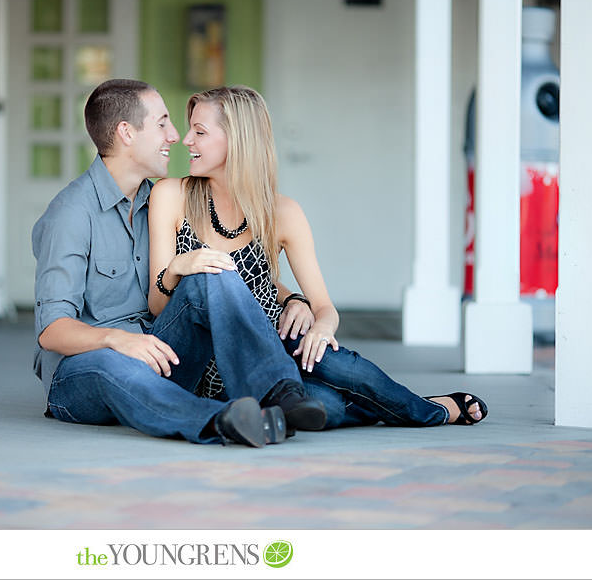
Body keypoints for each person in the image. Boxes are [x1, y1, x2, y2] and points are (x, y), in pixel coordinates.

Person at [148, 85, 488, 429]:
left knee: (327, 399)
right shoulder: (171, 196)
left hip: (268, 359)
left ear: (238, 139)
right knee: (319, 390)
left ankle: (391, 406)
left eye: (200, 131)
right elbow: (158, 307)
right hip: (192, 364)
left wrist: (318, 325)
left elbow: (325, 307)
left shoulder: (283, 212)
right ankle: (428, 409)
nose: (186, 139)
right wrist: (179, 267)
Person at [31, 78, 328, 449]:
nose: (175, 136)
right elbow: (51, 330)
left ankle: (279, 392)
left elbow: (223, 265)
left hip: (157, 351)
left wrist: (291, 299)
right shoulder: (71, 214)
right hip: (84, 371)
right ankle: (222, 421)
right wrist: (115, 339)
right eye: (162, 124)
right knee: (113, 365)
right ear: (126, 133)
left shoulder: (159, 200)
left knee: (206, 275)